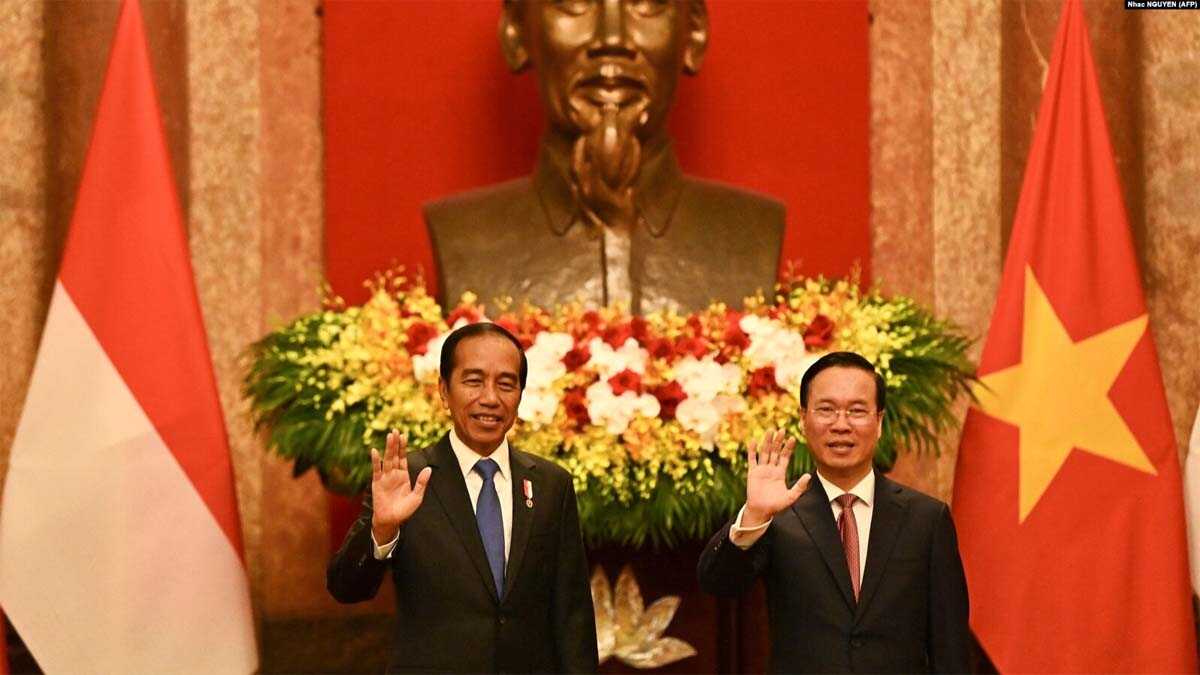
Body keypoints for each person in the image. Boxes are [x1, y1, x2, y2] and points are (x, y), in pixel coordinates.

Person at [425, 0, 783, 314]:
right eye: (574, 2)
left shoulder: (754, 233)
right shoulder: (463, 238)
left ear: (694, 34)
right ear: (516, 31)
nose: (612, 39)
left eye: (648, 2)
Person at [327, 323, 598, 673]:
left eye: (505, 383)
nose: (490, 398)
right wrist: (382, 531)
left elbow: (572, 615)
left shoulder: (550, 485)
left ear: (519, 395)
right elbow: (346, 588)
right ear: (444, 391)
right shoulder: (407, 479)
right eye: (473, 381)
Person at [697, 352, 970, 673]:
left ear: (879, 422)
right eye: (826, 410)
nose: (841, 425)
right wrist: (754, 516)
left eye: (856, 411)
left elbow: (950, 643)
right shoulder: (778, 512)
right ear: (803, 418)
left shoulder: (926, 518)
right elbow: (719, 583)